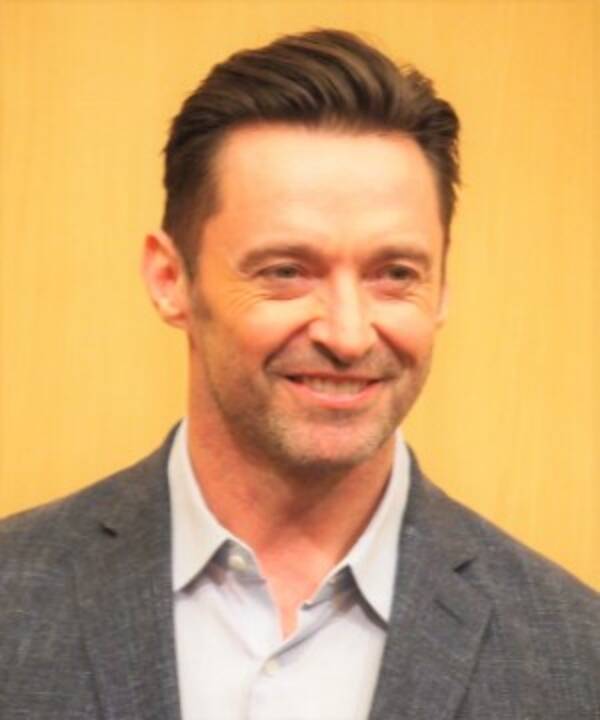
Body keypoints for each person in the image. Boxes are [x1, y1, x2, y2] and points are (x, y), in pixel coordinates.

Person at [1, 28, 598, 720]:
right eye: (286, 271)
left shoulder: (576, 659)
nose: (348, 334)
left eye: (394, 274)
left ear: (441, 288)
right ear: (170, 280)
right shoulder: (14, 600)